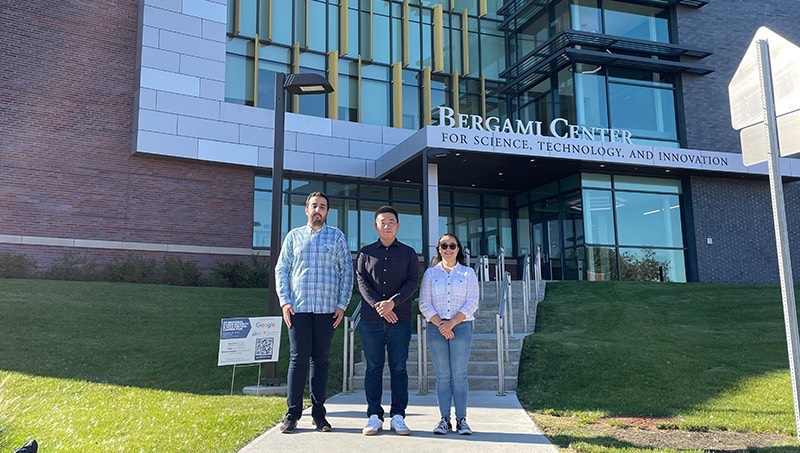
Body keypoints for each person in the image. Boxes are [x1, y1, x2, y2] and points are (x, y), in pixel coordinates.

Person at [275, 191, 353, 434]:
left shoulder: (337, 237)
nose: (318, 210)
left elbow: (347, 272)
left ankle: (319, 415)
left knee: (321, 361)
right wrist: (285, 302)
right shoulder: (293, 237)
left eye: (322, 206)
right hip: (298, 309)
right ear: (306, 210)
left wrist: (342, 304)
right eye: (314, 206)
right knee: (298, 360)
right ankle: (292, 414)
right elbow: (282, 269)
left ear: (327, 211)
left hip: (327, 309)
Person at [356, 206, 420, 436]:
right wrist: (379, 306)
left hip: (400, 320)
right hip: (371, 321)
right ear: (376, 226)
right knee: (373, 368)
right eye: (382, 222)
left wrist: (393, 302)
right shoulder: (365, 253)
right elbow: (361, 283)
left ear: (398, 226)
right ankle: (374, 415)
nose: (387, 225)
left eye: (391, 221)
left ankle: (398, 416)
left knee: (399, 368)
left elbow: (412, 281)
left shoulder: (409, 253)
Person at [418, 233, 479, 436]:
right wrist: (441, 325)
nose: (448, 249)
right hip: (436, 328)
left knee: (459, 375)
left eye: (452, 245)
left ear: (458, 249)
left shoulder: (468, 273)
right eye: (444, 245)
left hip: (461, 327)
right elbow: (424, 303)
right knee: (443, 376)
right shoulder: (430, 274)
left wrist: (451, 323)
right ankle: (444, 419)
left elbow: (472, 303)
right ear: (439, 249)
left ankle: (462, 420)